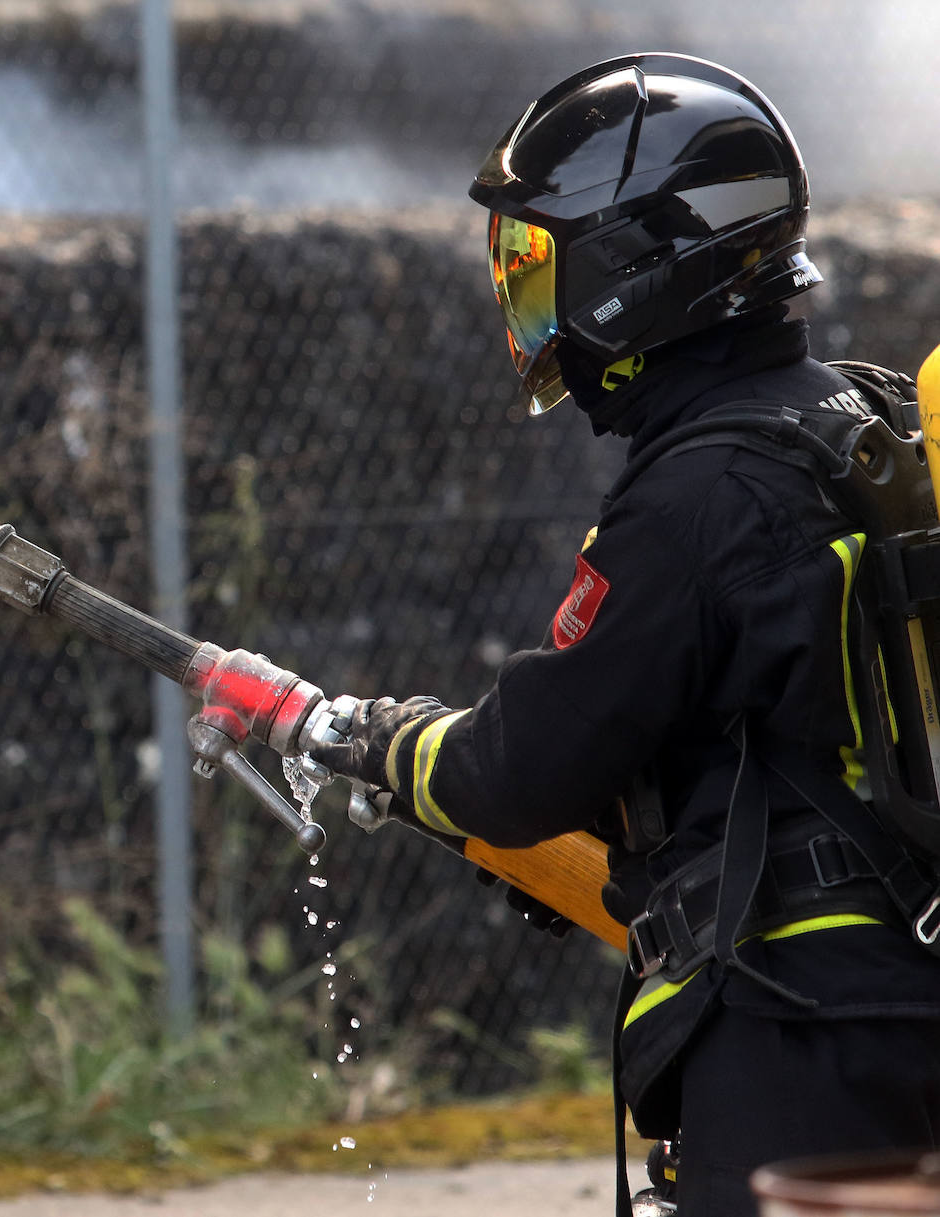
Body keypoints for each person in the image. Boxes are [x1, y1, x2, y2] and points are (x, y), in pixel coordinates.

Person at [312, 52, 940, 1217]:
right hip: (893, 993)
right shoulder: (855, 418)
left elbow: (518, 767)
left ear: (632, 270)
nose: (522, 304)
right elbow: (790, 715)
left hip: (799, 1026)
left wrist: (385, 744)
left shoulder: (699, 494)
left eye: (536, 266)